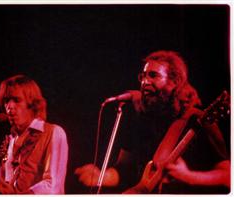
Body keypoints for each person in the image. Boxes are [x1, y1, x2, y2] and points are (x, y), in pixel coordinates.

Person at [75, 50, 230, 194]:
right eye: (143, 76)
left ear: (174, 82)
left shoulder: (197, 120)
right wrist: (103, 176)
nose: (145, 82)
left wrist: (189, 176)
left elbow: (228, 175)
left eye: (153, 75)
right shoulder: (140, 119)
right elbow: (124, 170)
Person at [0, 74, 68, 194]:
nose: (9, 106)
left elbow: (52, 186)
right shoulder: (9, 141)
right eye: (6, 101)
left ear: (32, 104)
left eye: (16, 100)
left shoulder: (54, 132)